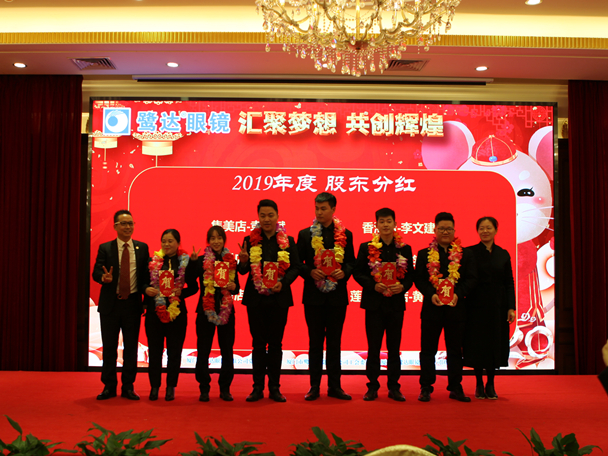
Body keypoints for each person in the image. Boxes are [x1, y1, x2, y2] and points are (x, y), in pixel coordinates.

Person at [238, 199, 301, 402]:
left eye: (270, 215)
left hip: (279, 298)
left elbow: (296, 267)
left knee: (275, 344)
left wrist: (284, 283)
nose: (266, 219)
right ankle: (257, 388)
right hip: (255, 300)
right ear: (258, 217)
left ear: (277, 216)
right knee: (258, 344)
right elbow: (242, 271)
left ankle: (274, 387)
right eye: (263, 215)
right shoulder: (249, 240)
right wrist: (243, 262)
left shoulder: (288, 241)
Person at [296, 192, 356, 401]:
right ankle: (314, 386)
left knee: (334, 342)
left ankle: (335, 386)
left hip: (337, 297)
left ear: (333, 209)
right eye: (317, 208)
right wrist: (310, 271)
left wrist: (344, 272)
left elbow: (351, 262)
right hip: (313, 297)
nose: (319, 212)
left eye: (323, 209)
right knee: (315, 342)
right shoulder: (305, 235)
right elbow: (297, 263)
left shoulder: (345, 235)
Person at [414, 212, 476, 403]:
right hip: (432, 309)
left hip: (456, 310)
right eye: (442, 228)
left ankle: (455, 387)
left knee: (455, 350)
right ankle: (426, 387)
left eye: (449, 229)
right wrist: (430, 294)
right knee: (428, 350)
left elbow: (471, 279)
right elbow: (419, 279)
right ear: (435, 230)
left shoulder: (465, 254)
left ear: (454, 230)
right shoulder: (424, 254)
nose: (445, 232)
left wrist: (458, 293)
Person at [353, 208, 414, 401]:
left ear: (395, 223)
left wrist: (402, 287)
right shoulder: (366, 247)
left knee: (394, 348)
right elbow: (358, 273)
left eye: (389, 221)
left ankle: (394, 387)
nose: (385, 224)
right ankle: (372, 387)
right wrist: (373, 285)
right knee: (373, 347)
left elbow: (410, 276)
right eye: (382, 221)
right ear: (376, 224)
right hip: (374, 304)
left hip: (395, 304)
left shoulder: (404, 249)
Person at [92, 209, 150, 401]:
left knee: (131, 347)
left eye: (130, 223)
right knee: (109, 347)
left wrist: (146, 298)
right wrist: (103, 278)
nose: (128, 227)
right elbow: (96, 273)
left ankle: (128, 387)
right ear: (115, 226)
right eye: (124, 223)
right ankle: (109, 387)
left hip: (132, 304)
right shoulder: (106, 248)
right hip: (111, 305)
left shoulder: (142, 248)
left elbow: (145, 277)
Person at [463, 217, 516, 400]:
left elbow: (509, 282)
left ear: (496, 230)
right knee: (478, 344)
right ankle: (479, 383)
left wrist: (511, 307)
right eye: (481, 228)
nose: (485, 231)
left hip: (498, 307)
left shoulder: (503, 254)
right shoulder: (469, 252)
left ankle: (491, 384)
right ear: (477, 231)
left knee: (495, 343)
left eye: (488, 228)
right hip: (475, 306)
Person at [144, 229, 198, 401]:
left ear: (178, 243)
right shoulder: (152, 261)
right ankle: (154, 386)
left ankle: (170, 387)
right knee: (155, 351)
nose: (166, 244)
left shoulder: (185, 262)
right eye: (164, 241)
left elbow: (194, 287)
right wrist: (147, 289)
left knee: (174, 352)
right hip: (154, 312)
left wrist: (181, 293)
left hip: (177, 314)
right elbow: (143, 282)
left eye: (170, 241)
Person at [192, 225, 240, 402]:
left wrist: (233, 286)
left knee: (227, 350)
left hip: (226, 310)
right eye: (212, 238)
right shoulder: (201, 260)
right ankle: (204, 388)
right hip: (206, 310)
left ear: (224, 240)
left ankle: (225, 388)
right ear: (208, 241)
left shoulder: (230, 260)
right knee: (203, 350)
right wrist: (193, 263)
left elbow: (237, 288)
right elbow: (190, 280)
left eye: (219, 238)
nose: (216, 241)